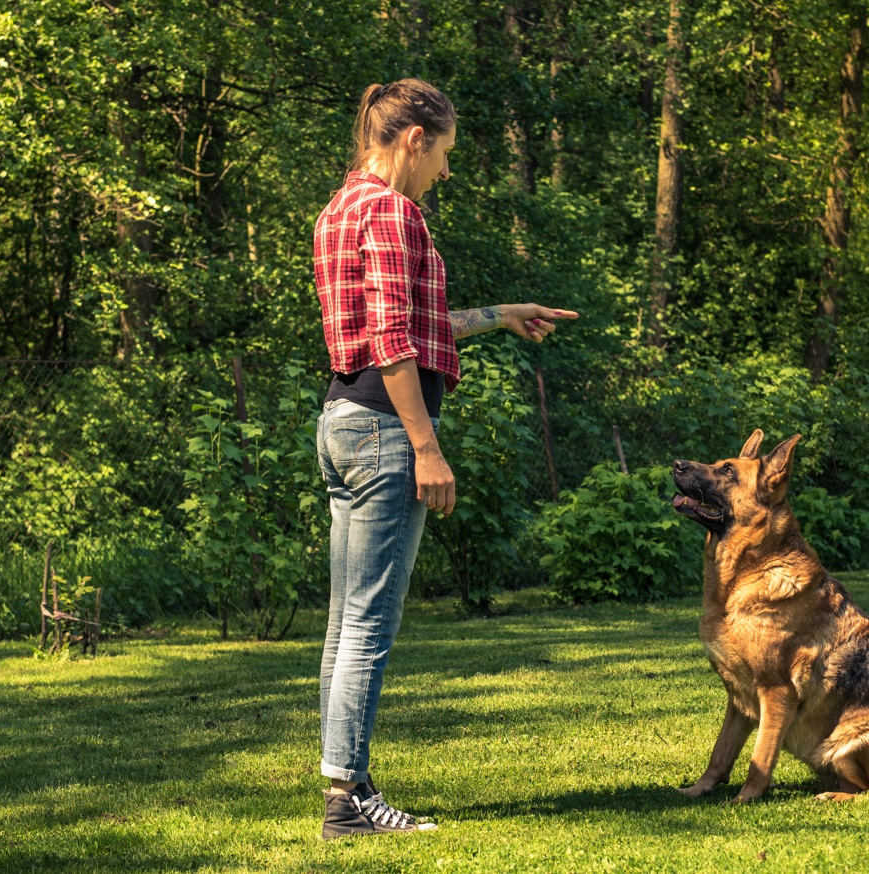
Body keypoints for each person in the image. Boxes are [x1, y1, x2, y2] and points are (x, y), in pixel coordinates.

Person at [312, 78, 578, 840]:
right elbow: (394, 340)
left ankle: (345, 783)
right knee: (368, 624)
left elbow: (409, 325)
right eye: (446, 154)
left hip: (341, 418)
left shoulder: (340, 209)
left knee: (343, 625)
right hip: (385, 430)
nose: (446, 173)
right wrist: (426, 447)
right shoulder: (395, 212)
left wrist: (501, 316)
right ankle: (348, 800)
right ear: (414, 139)